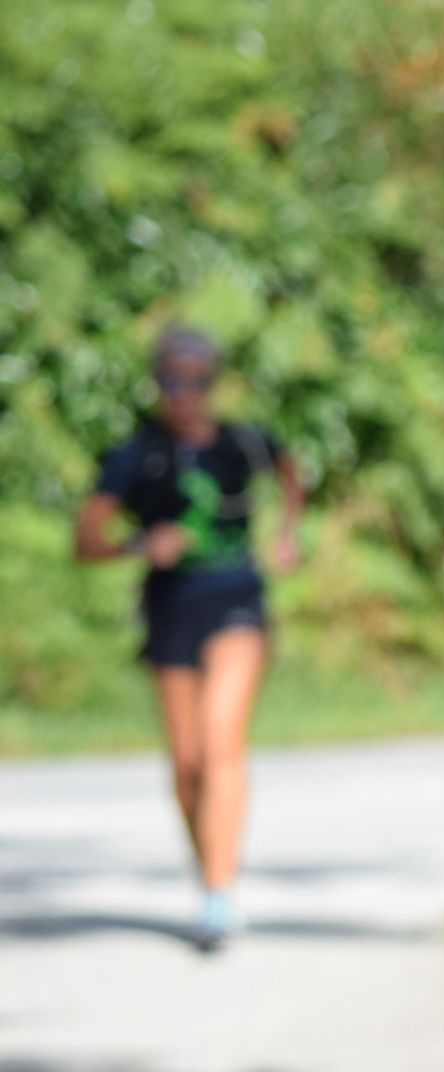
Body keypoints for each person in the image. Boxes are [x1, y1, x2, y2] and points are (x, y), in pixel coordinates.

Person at [72, 323, 303, 950]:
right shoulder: (137, 456)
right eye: (171, 380)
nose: (183, 392)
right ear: (157, 383)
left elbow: (291, 474)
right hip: (171, 607)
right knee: (187, 764)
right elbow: (85, 540)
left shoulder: (245, 442)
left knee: (221, 740)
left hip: (236, 599)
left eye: (195, 380)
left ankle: (219, 896)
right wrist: (140, 544)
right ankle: (211, 876)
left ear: (212, 382)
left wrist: (287, 533)